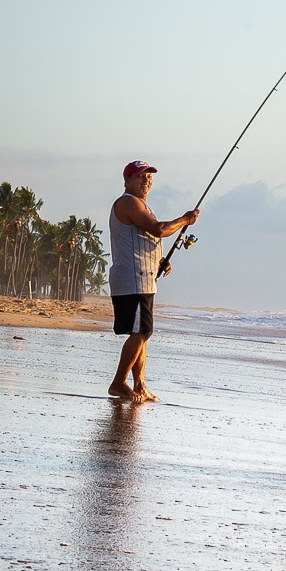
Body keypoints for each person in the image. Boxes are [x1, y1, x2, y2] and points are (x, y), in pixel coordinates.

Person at [107, 160, 199, 402]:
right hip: (133, 279)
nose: (146, 180)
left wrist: (160, 260)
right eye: (140, 176)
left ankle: (139, 385)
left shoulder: (142, 206)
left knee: (143, 333)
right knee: (141, 331)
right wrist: (185, 220)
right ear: (127, 181)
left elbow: (144, 239)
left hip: (143, 279)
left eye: (149, 176)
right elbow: (159, 229)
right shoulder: (128, 202)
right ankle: (118, 383)